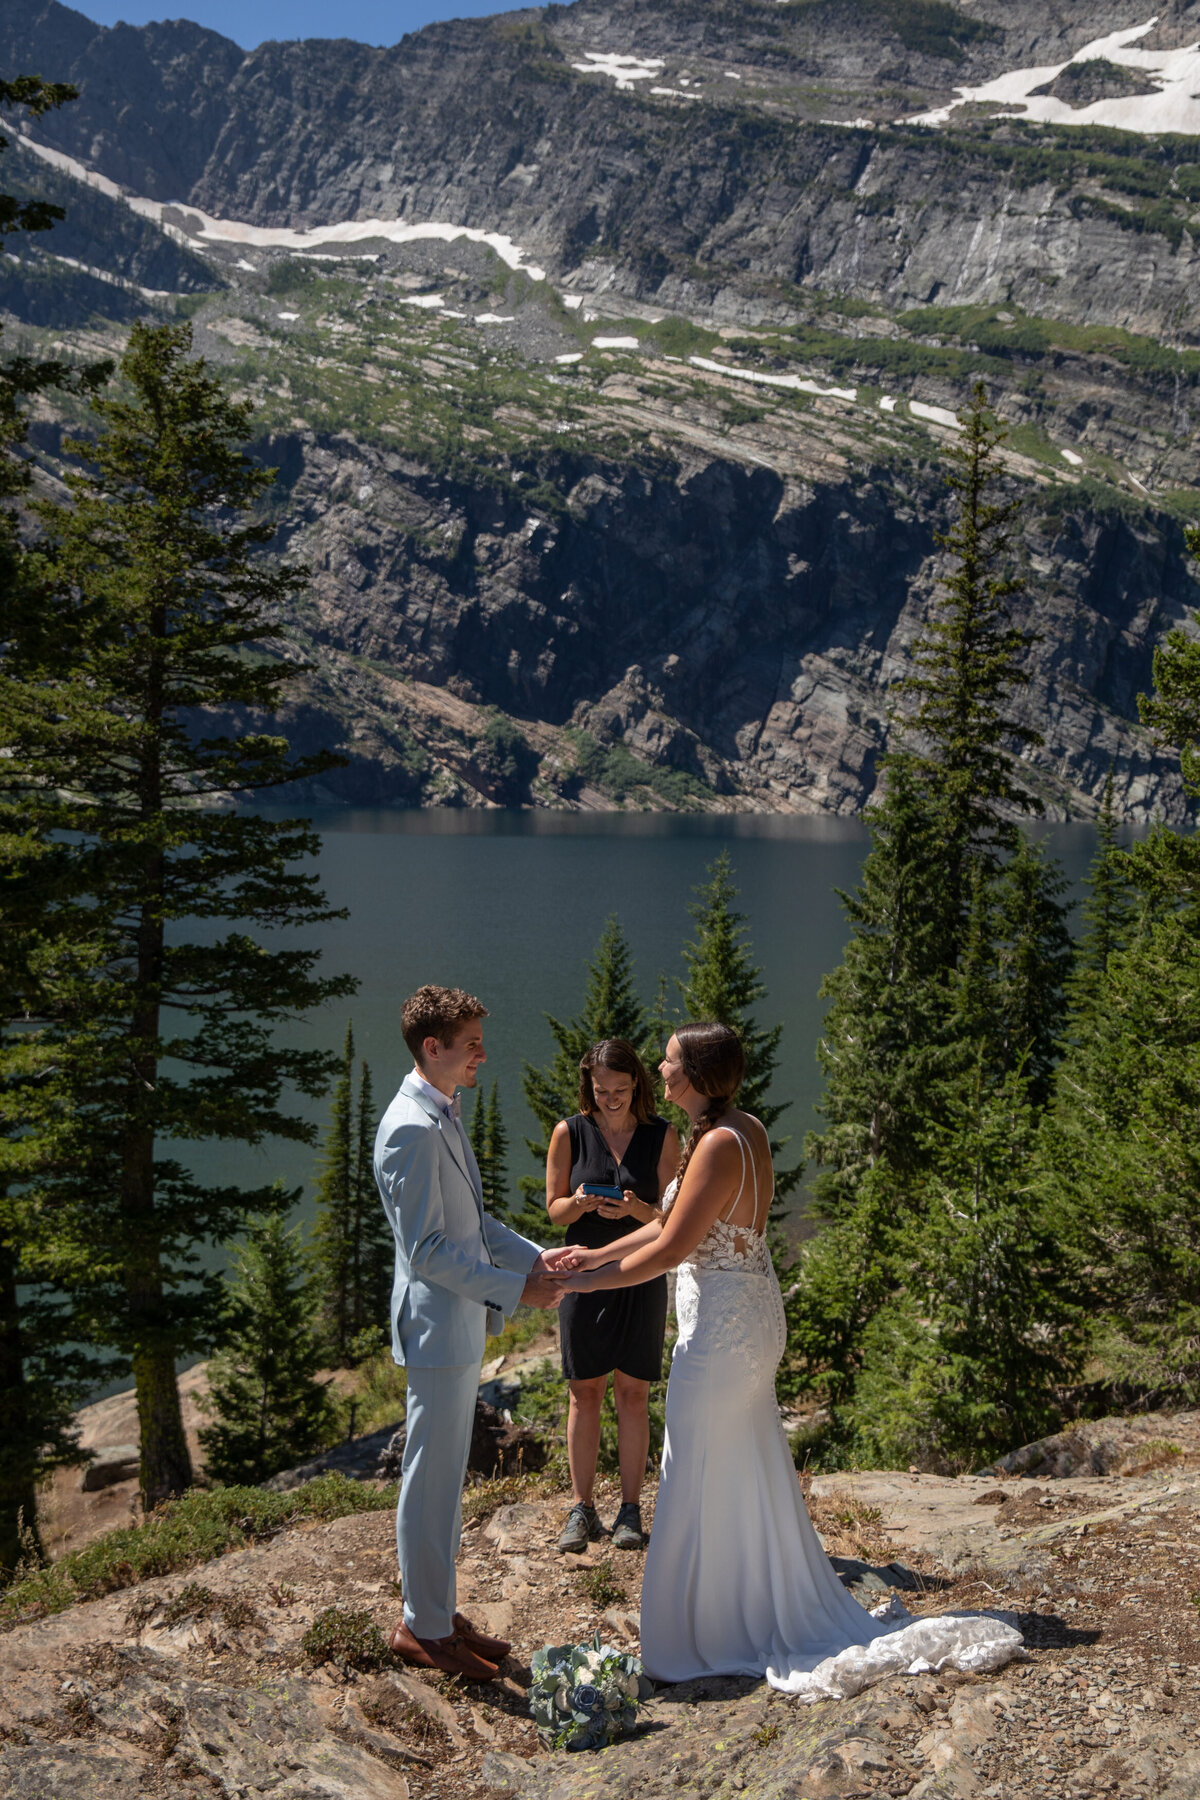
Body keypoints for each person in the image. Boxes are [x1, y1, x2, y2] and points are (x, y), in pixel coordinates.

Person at [551, 1022, 1023, 1698]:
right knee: (742, 1461)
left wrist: (582, 1283)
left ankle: (701, 1632)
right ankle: (744, 1604)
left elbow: (670, 1248)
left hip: (721, 1333)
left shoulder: (714, 1144)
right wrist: (589, 1253)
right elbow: (665, 1222)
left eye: (671, 1060)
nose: (660, 1067)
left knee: (692, 1466)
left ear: (698, 1076)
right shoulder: (743, 1127)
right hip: (749, 1316)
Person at [374, 984, 564, 1683]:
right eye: (472, 1042)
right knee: (428, 1480)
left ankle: (436, 1611)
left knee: (447, 1479)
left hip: (456, 1327)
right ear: (434, 1048)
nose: (483, 1052)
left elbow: (475, 1228)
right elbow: (426, 1251)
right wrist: (519, 1292)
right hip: (434, 1331)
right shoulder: (411, 1128)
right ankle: (421, 1628)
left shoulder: (441, 1113)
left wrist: (539, 1260)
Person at [545, 1039, 680, 1555]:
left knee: (634, 1394)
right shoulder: (569, 1132)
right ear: (589, 1086)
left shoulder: (662, 1136)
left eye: (620, 1090)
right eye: (601, 1090)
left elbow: (671, 1218)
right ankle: (581, 1508)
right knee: (584, 1392)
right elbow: (554, 1211)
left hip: (641, 1274)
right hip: (581, 1273)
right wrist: (579, 1204)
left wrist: (635, 1211)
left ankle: (629, 1510)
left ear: (637, 1086)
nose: (611, 1099)